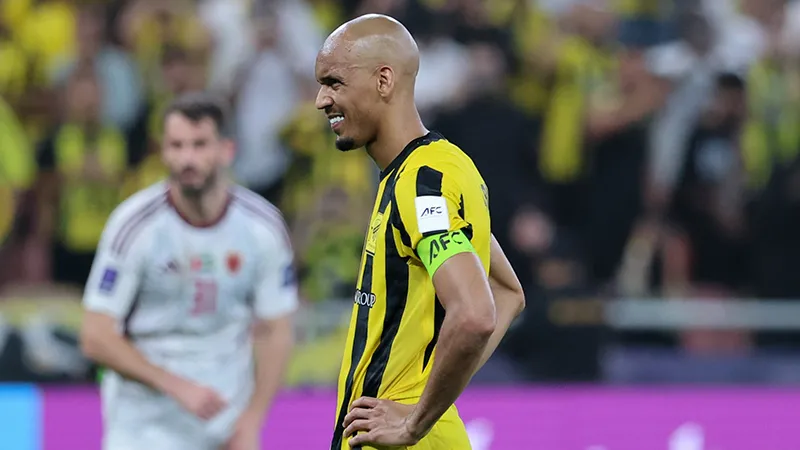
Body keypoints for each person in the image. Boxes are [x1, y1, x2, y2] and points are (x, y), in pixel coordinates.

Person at [314, 14, 526, 450]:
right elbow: (506, 291)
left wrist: (414, 419)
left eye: (334, 82)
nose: (321, 100)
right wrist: (434, 398)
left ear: (384, 80)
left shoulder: (421, 183)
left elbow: (475, 313)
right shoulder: (436, 169)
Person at [79, 92, 297, 450]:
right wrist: (175, 385)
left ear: (227, 150)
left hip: (224, 427)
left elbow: (277, 330)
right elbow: (95, 336)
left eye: (199, 145)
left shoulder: (263, 228)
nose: (187, 159)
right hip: (143, 429)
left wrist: (252, 420)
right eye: (176, 146)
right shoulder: (133, 226)